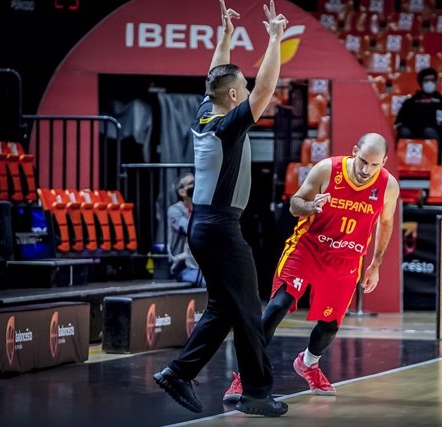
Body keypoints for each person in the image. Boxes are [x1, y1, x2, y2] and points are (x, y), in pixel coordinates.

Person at [153, 0, 289, 417]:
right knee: (248, 308)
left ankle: (179, 373)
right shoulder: (229, 126)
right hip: (220, 229)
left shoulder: (206, 113)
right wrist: (275, 39)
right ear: (234, 97)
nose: (249, 93)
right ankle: (255, 393)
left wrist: (226, 35)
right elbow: (264, 90)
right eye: (242, 90)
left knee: (225, 308)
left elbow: (215, 77)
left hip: (208, 226)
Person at [223, 132, 399, 401]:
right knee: (278, 306)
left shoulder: (388, 186)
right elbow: (294, 204)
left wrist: (376, 263)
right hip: (308, 249)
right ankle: (246, 376)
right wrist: (310, 207)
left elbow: (386, 224)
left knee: (329, 326)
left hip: (346, 259)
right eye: (363, 161)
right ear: (354, 151)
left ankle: (308, 363)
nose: (366, 170)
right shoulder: (328, 169)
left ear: (384, 162)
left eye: (375, 165)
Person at [394, 67, 442, 159]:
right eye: (426, 80)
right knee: (404, 132)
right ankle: (400, 161)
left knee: (429, 132)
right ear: (421, 83)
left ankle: (435, 160)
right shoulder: (411, 102)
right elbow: (399, 122)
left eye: (432, 80)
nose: (429, 83)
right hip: (413, 132)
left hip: (435, 134)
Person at [167, 172, 204, 286]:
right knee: (208, 283)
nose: (196, 185)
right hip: (184, 266)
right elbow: (190, 228)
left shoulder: (203, 209)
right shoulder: (175, 211)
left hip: (202, 266)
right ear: (182, 192)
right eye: (191, 183)